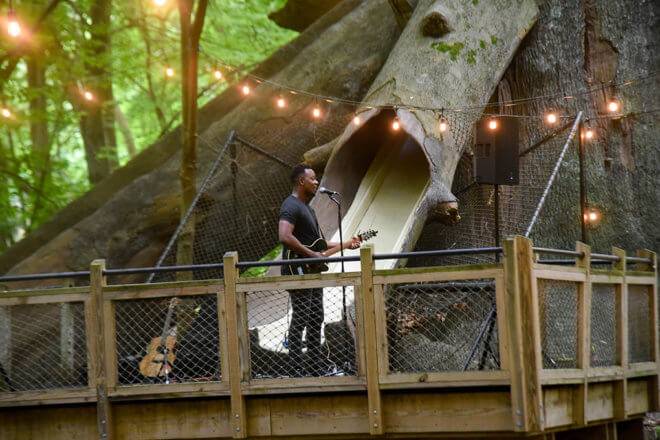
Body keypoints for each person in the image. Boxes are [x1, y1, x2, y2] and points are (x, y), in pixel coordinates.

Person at [278, 163, 360, 376]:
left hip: (312, 271)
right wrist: (311, 255)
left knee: (316, 317)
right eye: (313, 179)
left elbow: (321, 245)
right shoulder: (291, 205)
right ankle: (296, 370)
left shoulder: (309, 209)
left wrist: (348, 243)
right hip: (298, 269)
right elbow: (285, 236)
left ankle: (316, 368)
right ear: (301, 181)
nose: (317, 182)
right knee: (301, 317)